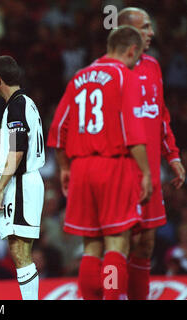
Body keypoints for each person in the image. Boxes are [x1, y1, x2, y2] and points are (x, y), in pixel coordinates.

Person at [47, 26, 152, 300]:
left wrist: (65, 167)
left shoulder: (78, 77)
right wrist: (146, 173)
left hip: (81, 168)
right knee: (117, 244)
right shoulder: (123, 76)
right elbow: (133, 134)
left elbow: (58, 131)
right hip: (113, 165)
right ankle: (112, 296)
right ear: (131, 50)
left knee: (91, 246)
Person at [117, 7, 186, 300]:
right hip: (119, 172)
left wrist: (173, 155)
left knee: (145, 244)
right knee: (117, 246)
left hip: (151, 173)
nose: (151, 32)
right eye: (145, 27)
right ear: (125, 32)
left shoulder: (153, 66)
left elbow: (160, 115)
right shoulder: (108, 71)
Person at [0, 55, 45, 300]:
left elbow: (17, 150)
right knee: (19, 250)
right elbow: (9, 152)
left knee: (20, 251)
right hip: (25, 181)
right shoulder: (25, 103)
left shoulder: (16, 106)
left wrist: (0, 189)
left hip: (21, 183)